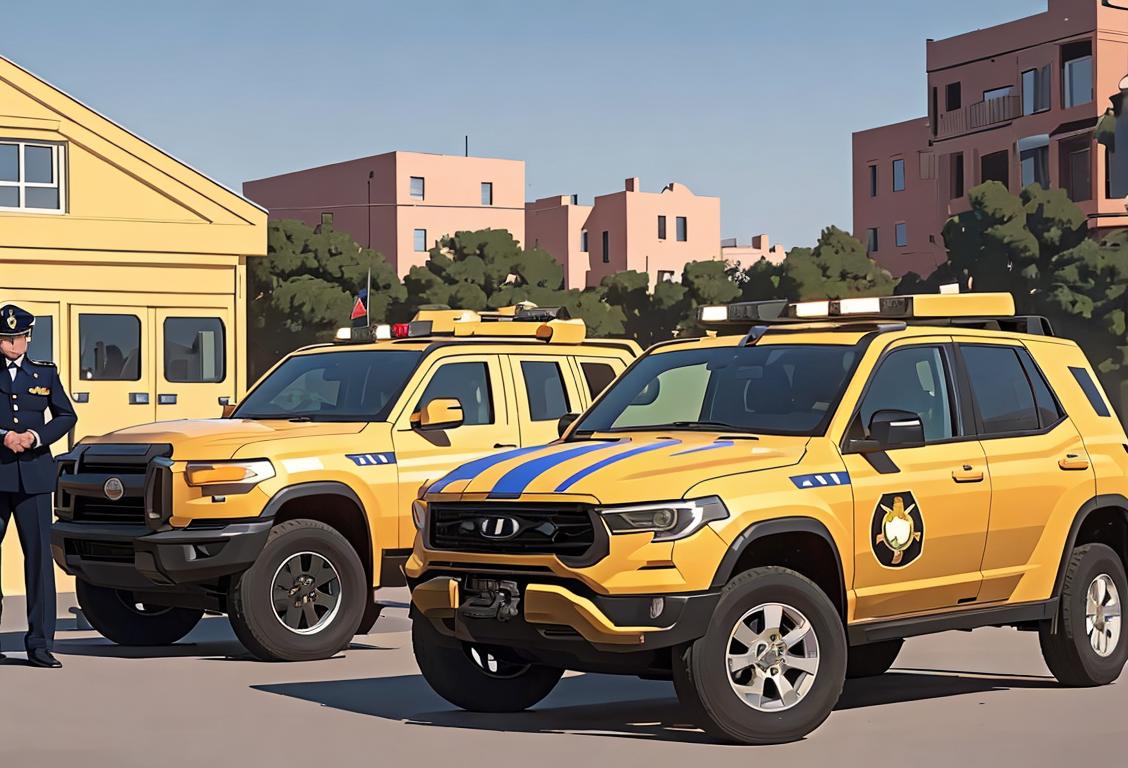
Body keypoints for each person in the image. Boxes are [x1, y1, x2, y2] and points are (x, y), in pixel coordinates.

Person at [0, 304, 76, 668]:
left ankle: (40, 642)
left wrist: (34, 436)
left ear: (28, 337)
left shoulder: (44, 373)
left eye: (18, 337)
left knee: (39, 563)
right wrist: (3, 437)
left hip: (33, 477)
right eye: (5, 338)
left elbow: (66, 415)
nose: (13, 344)